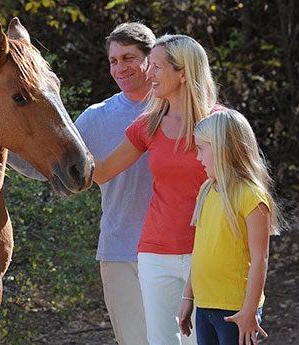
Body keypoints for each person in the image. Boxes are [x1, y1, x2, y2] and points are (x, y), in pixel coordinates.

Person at [7, 22, 155, 345]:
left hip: (179, 250)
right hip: (119, 254)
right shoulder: (97, 117)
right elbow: (51, 165)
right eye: (114, 61)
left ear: (151, 58)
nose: (120, 68)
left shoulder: (177, 109)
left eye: (128, 58)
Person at [94, 34, 219, 345]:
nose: (149, 73)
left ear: (184, 73)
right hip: (154, 252)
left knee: (198, 341)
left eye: (158, 67)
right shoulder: (147, 124)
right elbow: (102, 172)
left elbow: (245, 190)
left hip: (205, 251)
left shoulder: (221, 124)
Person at [178, 109, 284, 345]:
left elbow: (260, 259)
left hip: (236, 310)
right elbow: (200, 249)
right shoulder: (206, 191)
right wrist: (188, 297)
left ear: (223, 150)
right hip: (205, 306)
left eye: (201, 149)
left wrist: (248, 311)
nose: (198, 158)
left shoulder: (251, 196)